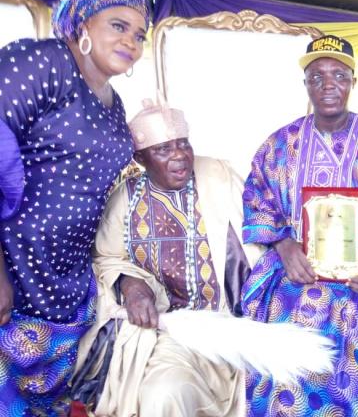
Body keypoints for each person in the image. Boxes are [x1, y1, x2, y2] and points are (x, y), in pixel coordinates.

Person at [241, 35, 358, 416]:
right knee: (287, 352)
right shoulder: (279, 145)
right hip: (301, 277)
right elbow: (257, 198)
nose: (328, 84)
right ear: (305, 86)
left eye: (338, 75)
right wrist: (282, 245)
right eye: (317, 76)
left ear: (353, 83)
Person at [0, 0, 150, 414]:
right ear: (82, 23)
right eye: (119, 25)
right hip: (15, 269)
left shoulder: (114, 102)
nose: (132, 41)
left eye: (140, 35)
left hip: (67, 280)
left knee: (46, 401)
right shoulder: (41, 61)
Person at [72, 100, 257, 416]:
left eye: (182, 144)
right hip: (172, 336)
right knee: (164, 394)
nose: (179, 156)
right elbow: (106, 257)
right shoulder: (124, 200)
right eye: (163, 150)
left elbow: (258, 234)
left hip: (236, 324)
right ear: (140, 158)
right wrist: (130, 284)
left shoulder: (218, 176)